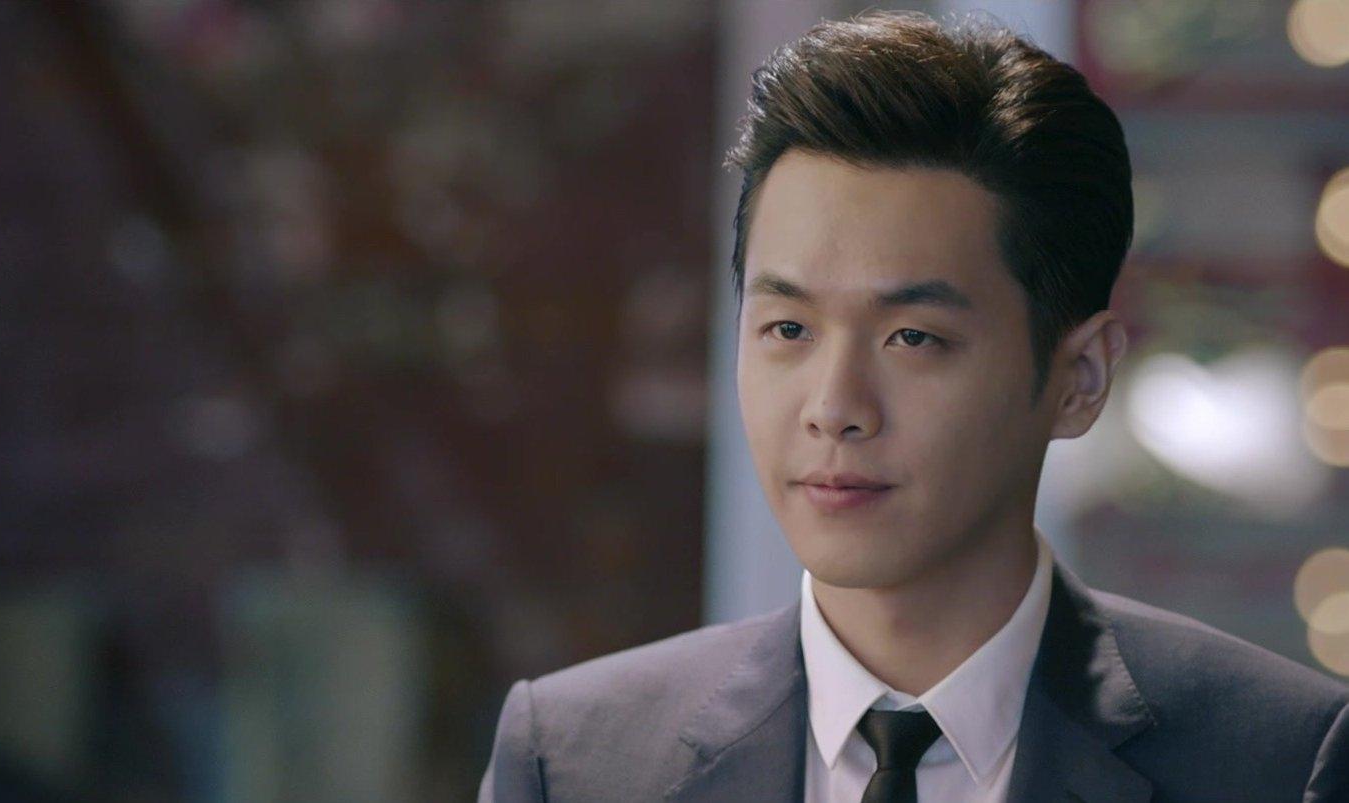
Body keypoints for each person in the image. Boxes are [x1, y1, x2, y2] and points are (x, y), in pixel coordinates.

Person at [478, 10, 1349, 802]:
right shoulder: (577, 761)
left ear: (1079, 377)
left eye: (912, 337)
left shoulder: (1279, 760)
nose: (834, 407)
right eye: (788, 328)